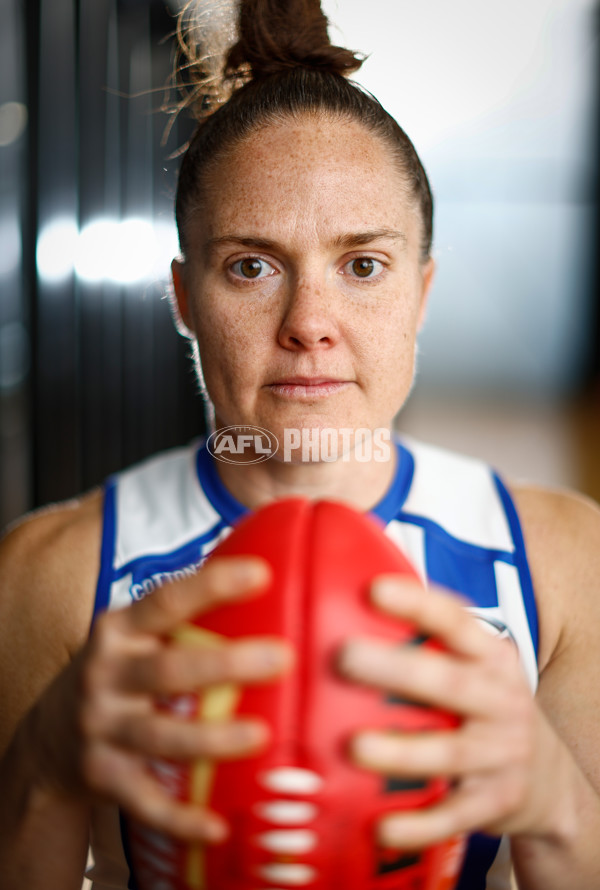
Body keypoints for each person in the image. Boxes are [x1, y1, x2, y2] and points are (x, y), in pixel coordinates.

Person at [1, 1, 600, 888]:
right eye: (252, 266)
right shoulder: (49, 574)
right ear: (184, 298)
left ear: (421, 292)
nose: (309, 325)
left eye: (363, 265)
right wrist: (45, 772)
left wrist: (559, 807)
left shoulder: (563, 561)